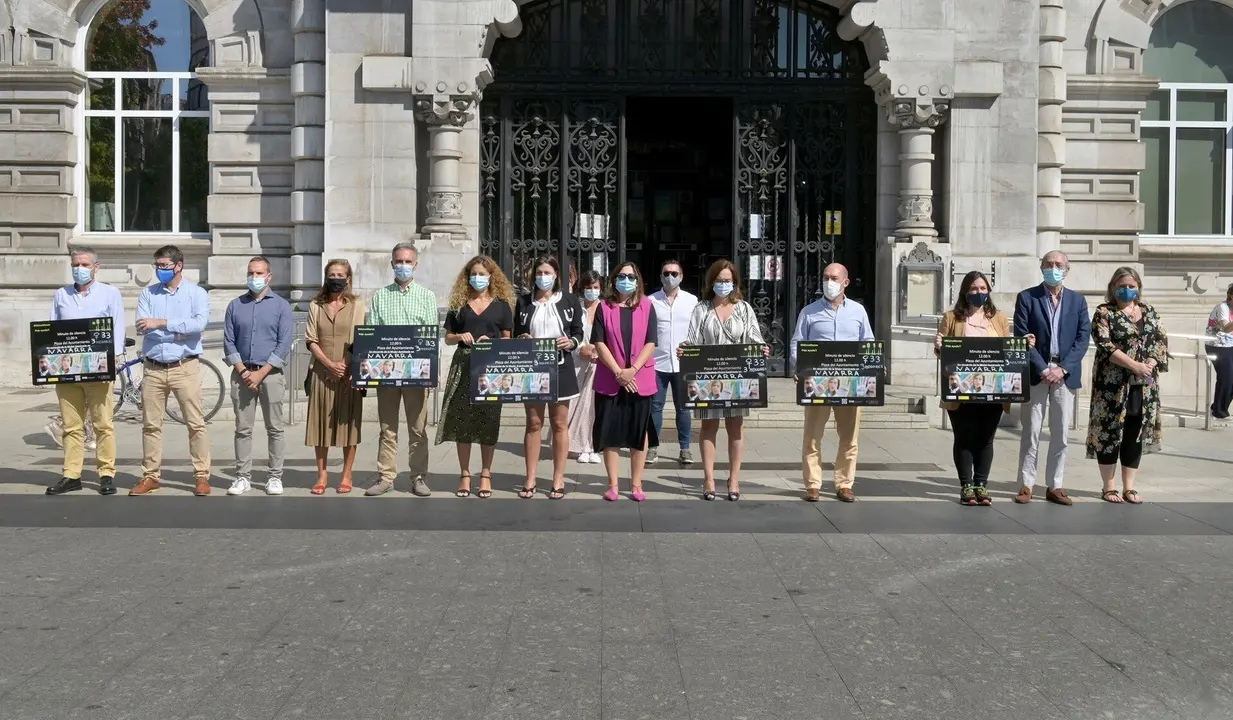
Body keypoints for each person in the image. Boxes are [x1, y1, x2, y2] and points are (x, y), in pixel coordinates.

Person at [934, 270, 1034, 507]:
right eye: (973, 289)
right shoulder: (952, 317)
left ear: (988, 291)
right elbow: (942, 351)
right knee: (964, 438)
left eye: (982, 288)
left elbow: (1008, 350)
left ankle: (981, 484)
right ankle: (966, 485)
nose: (978, 292)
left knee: (986, 439)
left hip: (993, 390)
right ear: (964, 292)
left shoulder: (998, 317)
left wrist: (1024, 345)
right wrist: (939, 346)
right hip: (961, 389)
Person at [678, 259, 768, 501]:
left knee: (735, 427)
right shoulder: (701, 308)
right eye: (719, 280)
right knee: (708, 427)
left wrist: (761, 349)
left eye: (728, 281)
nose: (723, 284)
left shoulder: (744, 308)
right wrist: (684, 350)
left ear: (735, 282)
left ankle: (734, 479)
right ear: (711, 282)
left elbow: (754, 337)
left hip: (738, 378)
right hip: (708, 379)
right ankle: (708, 478)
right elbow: (692, 340)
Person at [130, 245, 212, 496]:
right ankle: (150, 476)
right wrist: (178, 332)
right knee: (151, 425)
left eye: (164, 265)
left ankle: (201, 475)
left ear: (179, 265)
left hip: (184, 366)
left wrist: (162, 323)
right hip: (153, 368)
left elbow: (199, 324)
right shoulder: (148, 294)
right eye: (157, 265)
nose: (160, 270)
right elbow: (144, 326)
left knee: (195, 424)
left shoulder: (196, 293)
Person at [44, 246, 125, 496]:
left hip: (98, 369)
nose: (79, 269)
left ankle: (106, 473)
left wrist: (114, 359)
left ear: (96, 268)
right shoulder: (61, 295)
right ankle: (71, 474)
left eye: (85, 265)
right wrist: (43, 361)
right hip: (67, 369)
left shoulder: (110, 294)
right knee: (71, 425)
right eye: (75, 264)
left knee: (103, 424)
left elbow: (118, 328)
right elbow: (51, 330)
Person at [790, 263, 874, 502]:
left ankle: (844, 484)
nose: (829, 282)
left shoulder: (858, 311)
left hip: (849, 385)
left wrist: (875, 367)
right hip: (817, 385)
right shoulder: (809, 312)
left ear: (845, 282)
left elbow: (867, 342)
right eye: (826, 277)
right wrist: (800, 367)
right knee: (812, 437)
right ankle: (813, 485)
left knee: (849, 437)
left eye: (834, 278)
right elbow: (797, 343)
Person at [1013, 251, 1091, 505]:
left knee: (1060, 434)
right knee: (1032, 431)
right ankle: (1026, 484)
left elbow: (1082, 339)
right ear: (1041, 267)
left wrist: (1063, 368)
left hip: (1064, 374)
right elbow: (1021, 335)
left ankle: (1055, 485)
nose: (1053, 268)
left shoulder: (1077, 301)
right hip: (1037, 373)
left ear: (1067, 270)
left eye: (1059, 265)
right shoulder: (1027, 298)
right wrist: (1042, 368)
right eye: (1049, 264)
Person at [1086, 267, 1168, 504]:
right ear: (1112, 288)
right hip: (1112, 385)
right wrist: (1135, 365)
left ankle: (1129, 487)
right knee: (1109, 431)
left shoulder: (1149, 311)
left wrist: (1150, 363)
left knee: (1135, 431)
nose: (1127, 289)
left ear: (1139, 288)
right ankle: (1109, 487)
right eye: (1122, 285)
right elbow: (1106, 345)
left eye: (1132, 286)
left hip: (1144, 385)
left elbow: (1160, 341)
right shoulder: (1104, 313)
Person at [436, 255, 515, 498]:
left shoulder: (501, 305)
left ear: (491, 276)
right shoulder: (459, 303)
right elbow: (448, 337)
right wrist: (460, 337)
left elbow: (507, 339)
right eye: (474, 273)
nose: (477, 278)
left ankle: (486, 473)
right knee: (462, 421)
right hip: (463, 365)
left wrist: (491, 343)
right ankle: (465, 474)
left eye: (482, 273)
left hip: (491, 368)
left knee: (488, 420)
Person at [365, 242, 438, 497]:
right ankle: (386, 476)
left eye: (408, 261)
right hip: (387, 374)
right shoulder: (380, 296)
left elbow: (431, 337)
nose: (403, 265)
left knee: (417, 429)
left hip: (416, 374)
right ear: (392, 263)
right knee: (387, 428)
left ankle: (418, 477)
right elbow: (371, 334)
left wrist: (431, 372)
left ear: (415, 264)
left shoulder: (427, 297)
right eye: (399, 261)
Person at [515, 255, 585, 499]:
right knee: (533, 423)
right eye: (539, 272)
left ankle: (558, 477)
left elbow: (578, 331)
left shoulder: (569, 300)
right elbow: (517, 331)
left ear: (556, 275)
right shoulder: (523, 302)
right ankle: (531, 477)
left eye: (547, 272)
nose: (543, 277)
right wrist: (521, 338)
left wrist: (572, 341)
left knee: (559, 423)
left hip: (561, 366)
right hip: (533, 368)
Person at [223, 256, 293, 496]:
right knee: (243, 428)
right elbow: (229, 341)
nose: (254, 277)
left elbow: (284, 343)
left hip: (270, 374)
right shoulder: (235, 305)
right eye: (251, 273)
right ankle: (242, 476)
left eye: (259, 273)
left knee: (275, 428)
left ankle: (275, 476)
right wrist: (243, 371)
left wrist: (261, 373)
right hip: (242, 374)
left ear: (269, 276)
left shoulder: (282, 306)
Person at [592, 263, 659, 501]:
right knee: (610, 430)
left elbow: (651, 342)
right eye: (622, 276)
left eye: (631, 277)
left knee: (638, 431)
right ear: (614, 279)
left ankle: (637, 484)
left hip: (640, 379)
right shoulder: (604, 307)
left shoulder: (648, 306)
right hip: (611, 379)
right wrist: (619, 372)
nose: (626, 280)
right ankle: (613, 484)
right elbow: (599, 343)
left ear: (638, 280)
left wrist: (633, 370)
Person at [304, 259, 365, 494]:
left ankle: (347, 475)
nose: (336, 278)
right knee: (320, 426)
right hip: (322, 371)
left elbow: (359, 335)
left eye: (340, 274)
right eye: (332, 274)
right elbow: (311, 339)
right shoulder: (315, 304)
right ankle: (322, 475)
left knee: (349, 425)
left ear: (348, 278)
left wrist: (345, 366)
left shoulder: (356, 304)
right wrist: (329, 365)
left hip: (349, 373)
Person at [647, 258, 698, 465]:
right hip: (657, 362)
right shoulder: (650, 300)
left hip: (683, 363)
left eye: (674, 274)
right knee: (655, 407)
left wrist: (692, 346)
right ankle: (652, 447)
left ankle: (685, 449)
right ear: (660, 276)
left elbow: (698, 329)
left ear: (681, 276)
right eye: (666, 273)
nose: (670, 277)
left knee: (684, 408)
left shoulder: (692, 301)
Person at [567, 270, 603, 464]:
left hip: (601, 362)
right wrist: (581, 349)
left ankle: (592, 445)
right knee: (577, 402)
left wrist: (600, 351)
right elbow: (571, 333)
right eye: (588, 287)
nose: (592, 290)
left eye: (596, 287)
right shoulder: (576, 308)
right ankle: (578, 445)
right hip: (578, 361)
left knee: (593, 405)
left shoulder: (605, 308)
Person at [1206, 283, 1233, 419]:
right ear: (1231, 296)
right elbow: (1225, 328)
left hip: (1230, 345)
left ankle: (1218, 406)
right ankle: (1218, 410)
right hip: (1217, 345)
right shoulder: (1223, 307)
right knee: (1226, 377)